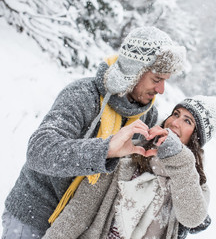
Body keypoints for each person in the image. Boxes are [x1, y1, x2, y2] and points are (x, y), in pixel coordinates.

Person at [2, 26, 186, 239]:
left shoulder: (147, 116)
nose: (161, 89)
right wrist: (106, 149)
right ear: (134, 70)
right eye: (156, 79)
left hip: (78, 226)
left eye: (165, 80)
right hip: (33, 216)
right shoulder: (83, 95)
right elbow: (39, 150)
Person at [42, 95, 216, 239]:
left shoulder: (194, 182)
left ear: (196, 137)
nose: (175, 123)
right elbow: (79, 212)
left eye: (188, 121)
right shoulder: (129, 153)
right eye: (176, 114)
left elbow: (192, 218)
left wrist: (179, 158)